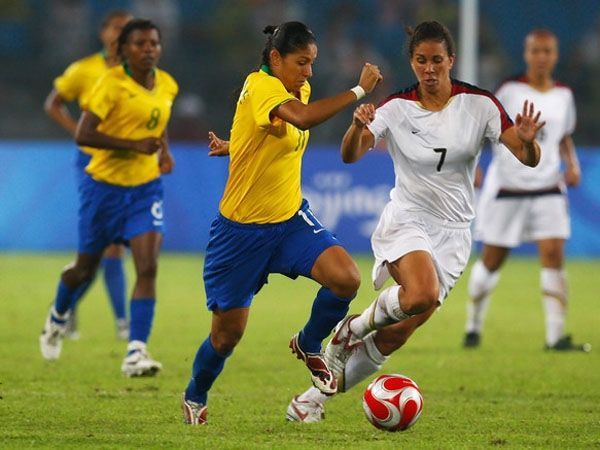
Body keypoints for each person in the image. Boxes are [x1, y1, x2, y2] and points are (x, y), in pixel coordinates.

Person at [286, 20, 545, 423]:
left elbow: (528, 159)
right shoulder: (395, 108)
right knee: (421, 293)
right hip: (407, 218)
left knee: (396, 333)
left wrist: (529, 142)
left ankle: (310, 401)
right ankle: (350, 330)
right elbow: (350, 155)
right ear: (411, 62)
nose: (429, 69)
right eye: (421, 61)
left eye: (437, 60)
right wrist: (356, 128)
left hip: (455, 233)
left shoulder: (479, 104)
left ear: (451, 61)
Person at [181, 21, 382, 425]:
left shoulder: (295, 88)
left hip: (289, 220)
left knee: (345, 278)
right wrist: (358, 90)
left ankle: (309, 344)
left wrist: (234, 146)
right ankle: (195, 394)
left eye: (312, 63)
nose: (309, 72)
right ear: (276, 59)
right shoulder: (262, 85)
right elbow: (302, 120)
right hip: (240, 233)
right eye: (301, 62)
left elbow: (269, 131)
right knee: (226, 337)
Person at [39, 19, 179, 378]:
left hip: (146, 188)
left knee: (147, 267)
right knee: (84, 268)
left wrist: (163, 151)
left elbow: (157, 119)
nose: (149, 49)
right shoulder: (109, 84)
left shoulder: (167, 84)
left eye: (154, 43)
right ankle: (57, 316)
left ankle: (136, 350)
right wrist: (134, 145)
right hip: (104, 188)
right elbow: (84, 134)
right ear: (124, 50)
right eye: (140, 44)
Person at [463, 29, 590, 352]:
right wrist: (473, 162)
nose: (542, 57)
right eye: (536, 51)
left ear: (555, 55)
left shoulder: (564, 95)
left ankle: (555, 336)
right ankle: (473, 324)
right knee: (492, 261)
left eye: (548, 51)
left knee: (553, 255)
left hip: (548, 187)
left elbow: (563, 135)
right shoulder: (509, 90)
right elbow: (485, 128)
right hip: (508, 187)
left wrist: (571, 164)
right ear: (527, 54)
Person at [44, 9, 133, 340]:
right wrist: (78, 132)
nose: (121, 35)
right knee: (108, 247)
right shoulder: (84, 70)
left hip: (127, 165)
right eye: (117, 28)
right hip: (92, 164)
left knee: (102, 251)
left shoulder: (137, 75)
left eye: (128, 29)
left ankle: (65, 309)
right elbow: (53, 103)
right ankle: (124, 327)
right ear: (104, 33)